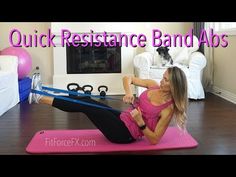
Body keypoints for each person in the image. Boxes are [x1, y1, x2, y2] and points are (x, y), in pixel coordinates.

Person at [28, 66, 188, 145]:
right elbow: (128, 78)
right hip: (123, 118)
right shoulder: (153, 85)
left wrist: (140, 122)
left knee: (87, 106)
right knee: (86, 99)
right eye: (163, 77)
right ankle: (40, 97)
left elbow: (154, 140)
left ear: (174, 86)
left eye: (166, 80)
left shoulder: (167, 109)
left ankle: (39, 97)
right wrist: (128, 92)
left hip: (124, 134)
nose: (161, 81)